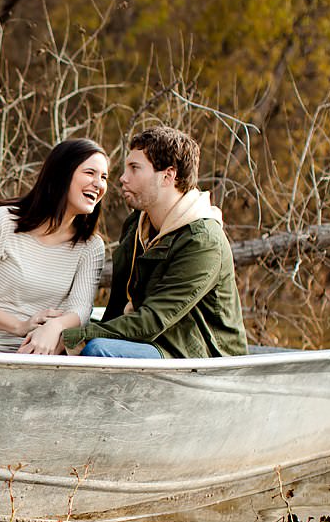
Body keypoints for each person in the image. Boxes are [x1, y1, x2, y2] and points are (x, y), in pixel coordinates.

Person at [62, 125, 247, 358]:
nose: (122, 178)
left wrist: (72, 338)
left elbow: (154, 319)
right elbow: (118, 306)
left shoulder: (202, 240)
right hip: (150, 341)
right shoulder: (136, 225)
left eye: (135, 169)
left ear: (168, 176)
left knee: (97, 349)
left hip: (199, 355)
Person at [0, 139, 108, 354]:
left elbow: (80, 310)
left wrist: (55, 327)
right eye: (90, 173)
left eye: (104, 177)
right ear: (62, 174)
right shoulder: (3, 222)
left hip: (43, 353)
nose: (99, 184)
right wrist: (20, 326)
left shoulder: (90, 246)